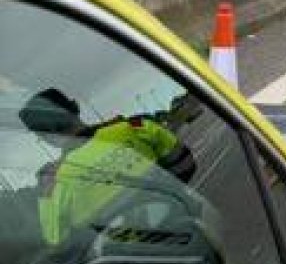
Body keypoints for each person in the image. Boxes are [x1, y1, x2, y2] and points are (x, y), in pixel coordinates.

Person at [19, 88, 196, 250]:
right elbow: (186, 164)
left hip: (133, 263)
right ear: (75, 108)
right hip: (186, 229)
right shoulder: (134, 127)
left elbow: (57, 243)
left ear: (44, 134)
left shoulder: (54, 181)